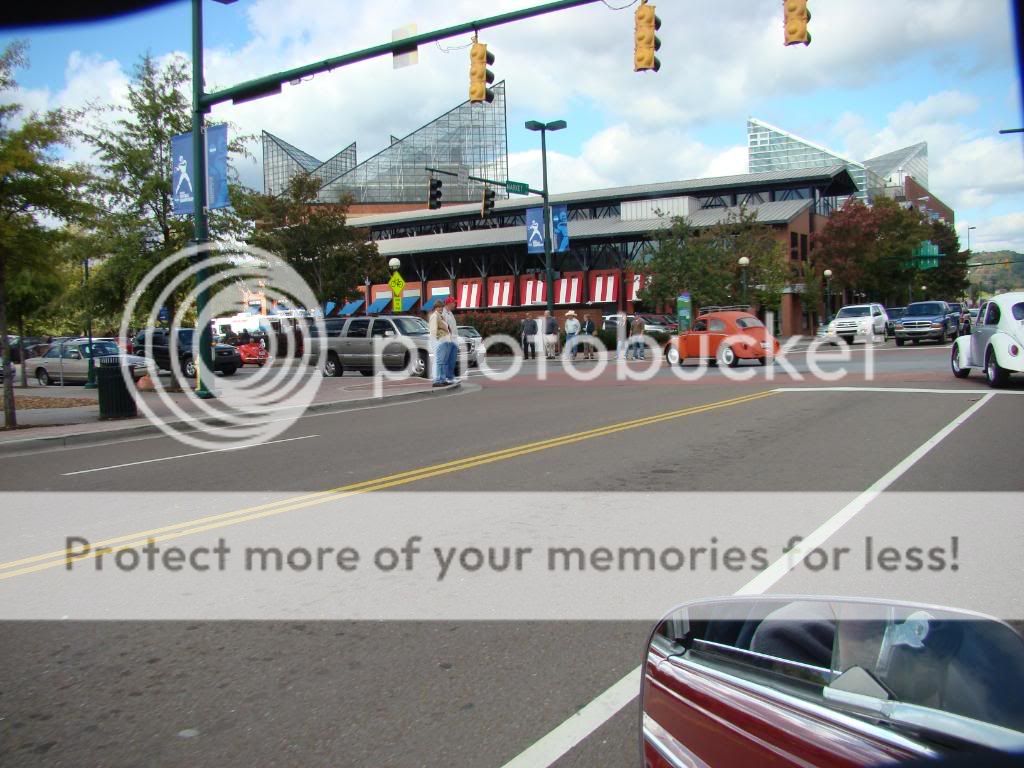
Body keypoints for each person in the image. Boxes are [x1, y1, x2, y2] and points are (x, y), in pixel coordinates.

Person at [428, 302, 450, 386]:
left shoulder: (440, 316)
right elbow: (433, 331)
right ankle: (437, 380)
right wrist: (437, 341)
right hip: (439, 341)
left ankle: (442, 379)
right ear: (435, 307)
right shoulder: (434, 316)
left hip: (443, 341)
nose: (441, 308)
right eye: (439, 307)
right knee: (439, 361)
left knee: (442, 361)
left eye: (442, 307)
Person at [440, 296, 460, 384]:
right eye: (454, 302)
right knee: (446, 359)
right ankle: (446, 378)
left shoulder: (450, 313)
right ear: (449, 303)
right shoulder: (443, 313)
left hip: (454, 339)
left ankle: (450, 377)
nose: (455, 304)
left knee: (452, 359)